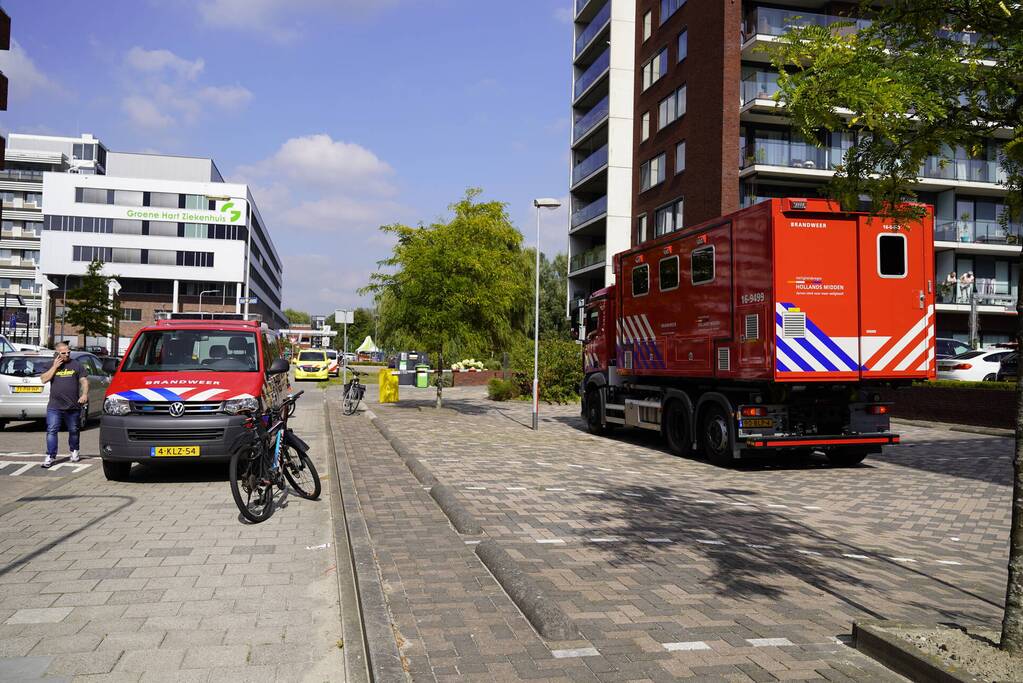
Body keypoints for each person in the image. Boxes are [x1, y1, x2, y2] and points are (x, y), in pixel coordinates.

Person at [39, 342, 88, 468]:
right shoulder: (49, 365)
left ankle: (74, 451)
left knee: (73, 430)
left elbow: (84, 381)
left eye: (68, 352)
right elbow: (44, 379)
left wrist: (84, 394)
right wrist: (55, 367)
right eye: (63, 353)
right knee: (51, 430)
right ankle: (50, 455)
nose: (67, 355)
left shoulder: (76, 365)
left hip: (72, 406)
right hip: (54, 406)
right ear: (57, 353)